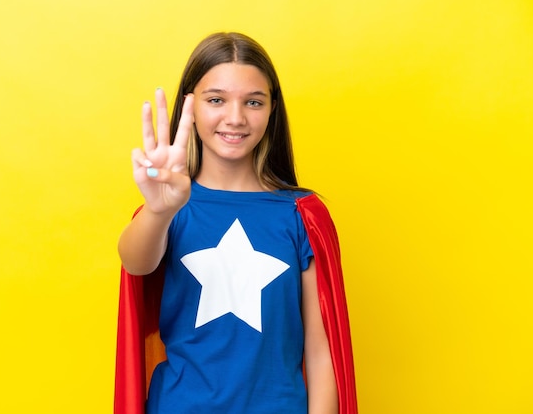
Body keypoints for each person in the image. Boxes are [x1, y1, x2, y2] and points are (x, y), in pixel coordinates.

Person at [114, 32, 357, 414]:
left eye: (253, 102)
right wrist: (160, 210)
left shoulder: (302, 215)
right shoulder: (167, 208)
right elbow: (135, 263)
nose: (235, 118)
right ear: (189, 108)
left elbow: (322, 352)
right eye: (216, 100)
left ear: (272, 109)